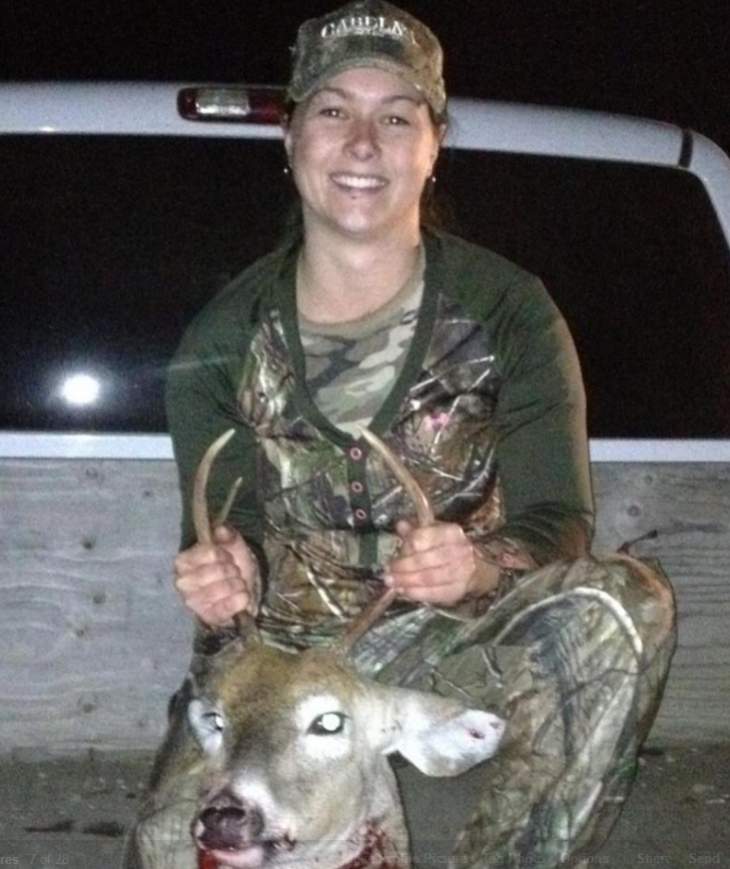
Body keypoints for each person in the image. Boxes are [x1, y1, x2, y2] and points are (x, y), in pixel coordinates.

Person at [125, 2, 676, 867]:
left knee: (622, 602)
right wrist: (225, 565)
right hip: (288, 661)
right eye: (333, 110)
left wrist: (480, 565)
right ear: (290, 137)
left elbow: (559, 519)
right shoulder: (224, 338)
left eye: (395, 117)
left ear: (433, 144)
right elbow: (224, 530)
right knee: (172, 845)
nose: (361, 143)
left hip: (456, 635)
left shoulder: (507, 310)